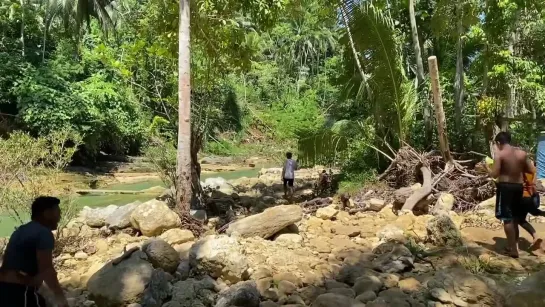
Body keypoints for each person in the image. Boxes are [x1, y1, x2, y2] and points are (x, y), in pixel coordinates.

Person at [0, 196, 68, 307]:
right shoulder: (43, 233)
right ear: (47, 213)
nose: (59, 217)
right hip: (20, 292)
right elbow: (47, 269)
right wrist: (61, 298)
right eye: (58, 212)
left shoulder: (21, 230)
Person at [487, 132, 535, 258]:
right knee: (514, 217)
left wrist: (486, 168)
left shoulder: (500, 154)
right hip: (518, 187)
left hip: (505, 187)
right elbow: (531, 170)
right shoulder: (522, 153)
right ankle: (514, 246)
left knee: (507, 218)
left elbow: (495, 174)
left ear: (498, 143)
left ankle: (513, 250)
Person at [514, 159, 545, 250]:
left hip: (523, 197)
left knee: (517, 220)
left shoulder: (521, 172)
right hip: (532, 197)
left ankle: (514, 246)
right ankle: (535, 236)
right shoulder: (534, 171)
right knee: (535, 212)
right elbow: (534, 186)